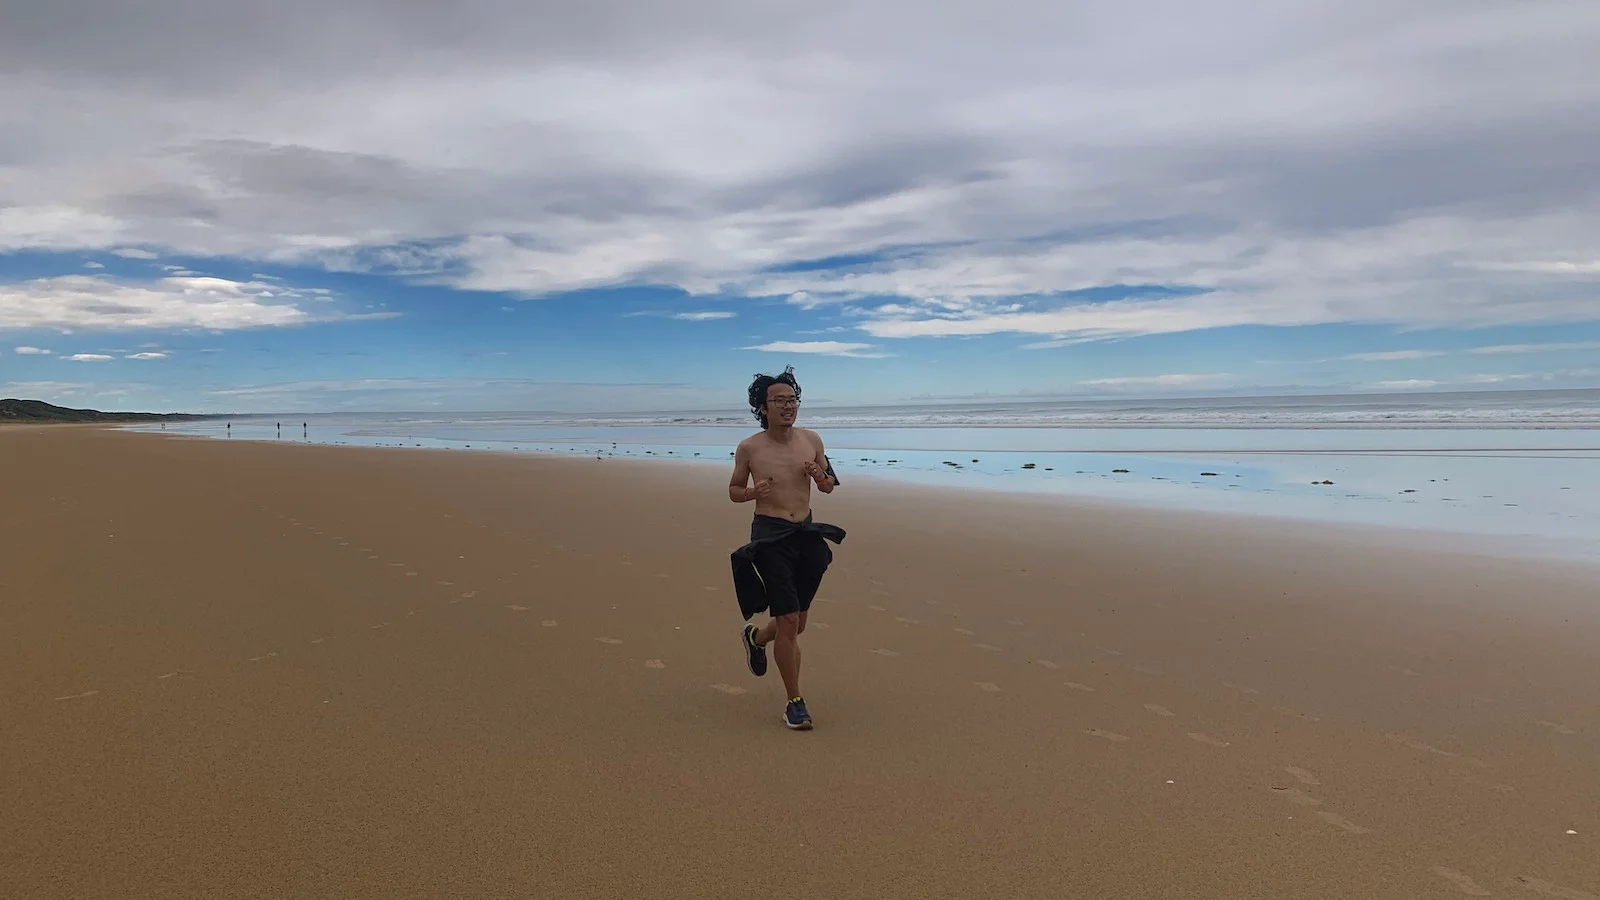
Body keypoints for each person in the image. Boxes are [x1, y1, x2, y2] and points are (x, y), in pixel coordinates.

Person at [728, 366, 845, 731]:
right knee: (790, 621)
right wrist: (751, 493)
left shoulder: (811, 439)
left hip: (806, 534)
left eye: (792, 400)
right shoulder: (749, 448)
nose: (788, 406)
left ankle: (757, 638)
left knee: (797, 622)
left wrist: (818, 475)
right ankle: (795, 702)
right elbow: (733, 490)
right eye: (779, 400)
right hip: (770, 535)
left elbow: (830, 485)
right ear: (763, 407)